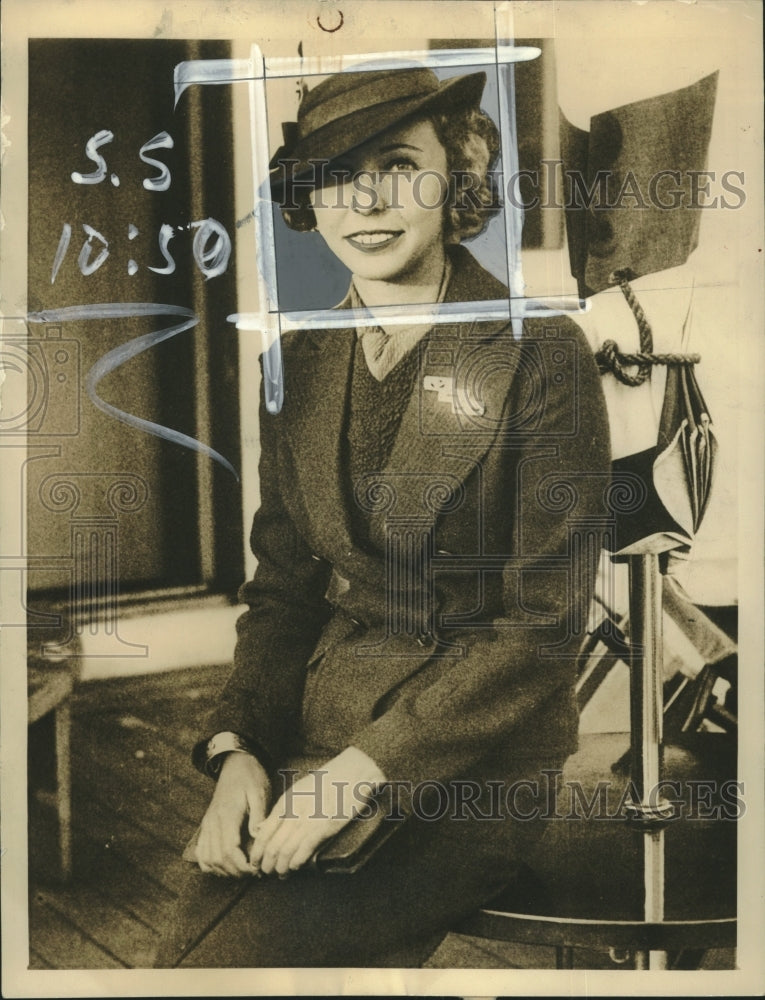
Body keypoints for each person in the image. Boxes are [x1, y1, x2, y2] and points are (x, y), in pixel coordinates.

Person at [155, 64, 610, 968]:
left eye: (398, 163)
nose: (364, 198)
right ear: (308, 201)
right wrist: (238, 746)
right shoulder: (295, 361)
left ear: (460, 178)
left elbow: (539, 629)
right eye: (331, 172)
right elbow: (282, 592)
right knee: (181, 966)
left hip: (473, 765)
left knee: (231, 971)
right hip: (315, 738)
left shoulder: (540, 350)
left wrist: (361, 776)